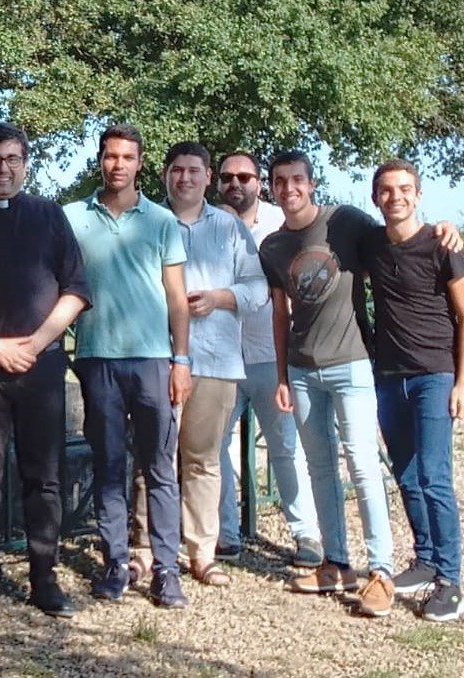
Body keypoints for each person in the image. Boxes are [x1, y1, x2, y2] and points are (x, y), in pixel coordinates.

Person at [260, 150, 457, 618]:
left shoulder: (344, 222)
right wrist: (284, 375)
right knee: (321, 468)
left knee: (365, 466)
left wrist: (443, 230)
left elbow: (399, 239)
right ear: (272, 188)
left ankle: (382, 571)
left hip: (352, 364)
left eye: (297, 181)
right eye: (281, 182)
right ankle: (337, 563)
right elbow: (279, 314)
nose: (290, 189)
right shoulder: (270, 247)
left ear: (311, 184)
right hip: (304, 372)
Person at [0, 123, 90, 619]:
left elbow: (75, 290)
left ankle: (44, 577)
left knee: (44, 477)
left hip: (42, 368)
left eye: (11, 159)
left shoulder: (50, 216)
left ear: (26, 163)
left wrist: (34, 344)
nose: (2, 169)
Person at [63, 124, 191, 610]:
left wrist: (182, 360)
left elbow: (177, 299)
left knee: (160, 468)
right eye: (110, 156)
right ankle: (115, 562)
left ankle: (166, 570)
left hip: (154, 361)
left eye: (127, 157)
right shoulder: (72, 217)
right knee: (109, 467)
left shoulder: (160, 222)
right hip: (98, 360)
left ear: (140, 163)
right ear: (100, 160)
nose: (118, 164)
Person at [364, 159, 464, 623]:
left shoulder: (442, 243)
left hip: (434, 375)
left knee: (434, 476)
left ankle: (451, 581)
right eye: (387, 190)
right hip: (390, 378)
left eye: (405, 189)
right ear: (376, 198)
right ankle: (426, 559)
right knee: (407, 475)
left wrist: (463, 382)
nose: (396, 197)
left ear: (419, 194)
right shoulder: (371, 243)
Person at [156, 142, 267, 587]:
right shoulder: (150, 221)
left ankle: (202, 552)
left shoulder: (231, 228)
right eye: (177, 170)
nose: (185, 178)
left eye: (194, 171)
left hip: (217, 359)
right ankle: (150, 550)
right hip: (157, 356)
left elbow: (258, 290)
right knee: (156, 458)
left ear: (207, 178)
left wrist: (220, 298)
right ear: (165, 175)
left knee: (203, 461)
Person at [214, 152, 323, 569]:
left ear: (260, 182)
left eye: (245, 176)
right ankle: (225, 533)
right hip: (220, 357)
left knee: (286, 449)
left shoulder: (284, 225)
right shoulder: (205, 225)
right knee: (214, 449)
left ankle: (306, 534)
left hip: (270, 356)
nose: (235, 183)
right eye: (227, 177)